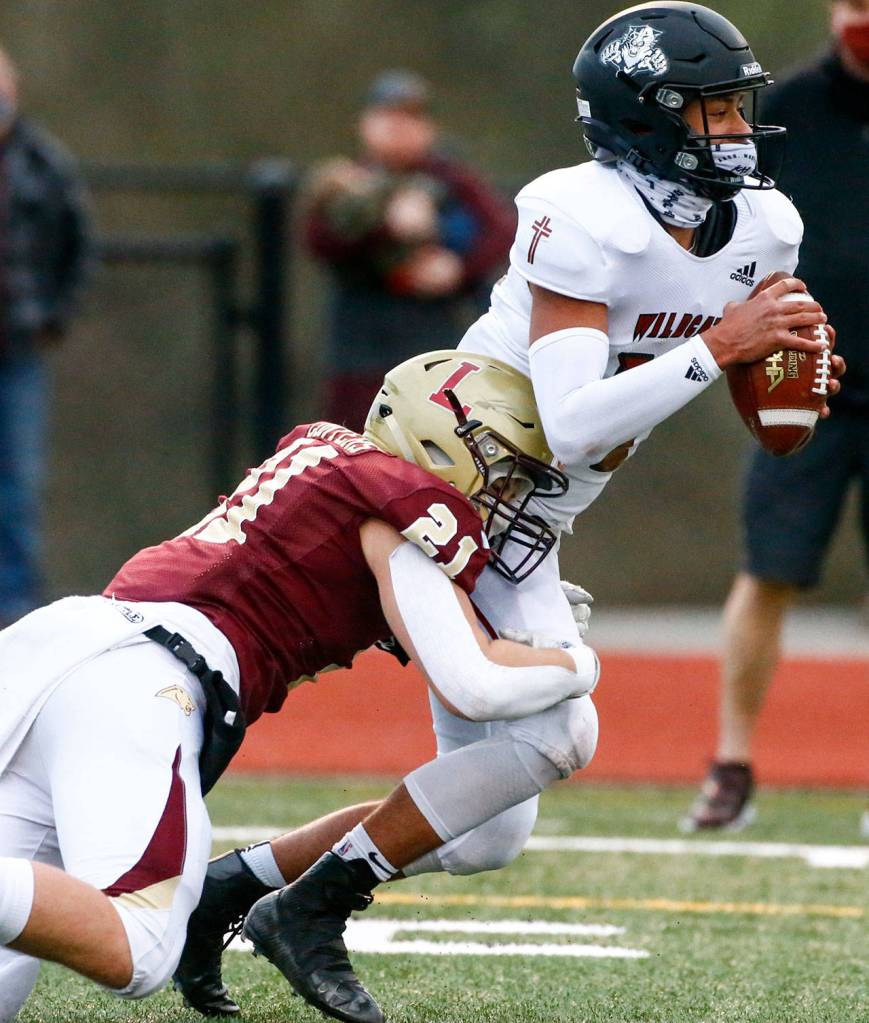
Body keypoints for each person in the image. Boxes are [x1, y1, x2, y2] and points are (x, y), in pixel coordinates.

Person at [173, 5, 847, 1022]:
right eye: (706, 110)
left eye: (733, 107)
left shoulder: (764, 226)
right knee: (549, 724)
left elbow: (775, 426)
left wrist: (788, 376)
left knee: (484, 832)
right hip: (442, 502)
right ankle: (313, 907)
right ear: (641, 118)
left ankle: (235, 888)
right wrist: (719, 346)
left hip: (531, 531)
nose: (732, 130)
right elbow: (572, 422)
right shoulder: (580, 216)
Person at [0, 350, 604, 1023]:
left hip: (61, 647)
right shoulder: (402, 505)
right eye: (504, 471)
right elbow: (477, 687)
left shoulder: (329, 464)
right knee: (138, 946)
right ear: (438, 442)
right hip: (140, 681)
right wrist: (576, 662)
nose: (506, 496)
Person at [682, 0, 869, 834]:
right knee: (767, 569)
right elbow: (726, 233)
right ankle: (730, 764)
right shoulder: (784, 112)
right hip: (803, 376)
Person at [304, 69, 516, 431]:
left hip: (433, 345)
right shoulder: (346, 183)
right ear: (365, 123)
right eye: (388, 116)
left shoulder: (450, 179)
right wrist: (387, 224)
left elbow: (501, 230)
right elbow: (319, 241)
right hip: (362, 349)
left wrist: (456, 269)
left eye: (411, 118)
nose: (398, 128)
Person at [0, 46, 93, 628]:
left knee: (17, 487)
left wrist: (52, 316)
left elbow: (77, 244)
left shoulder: (41, 161)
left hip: (16, 353)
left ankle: (15, 614)